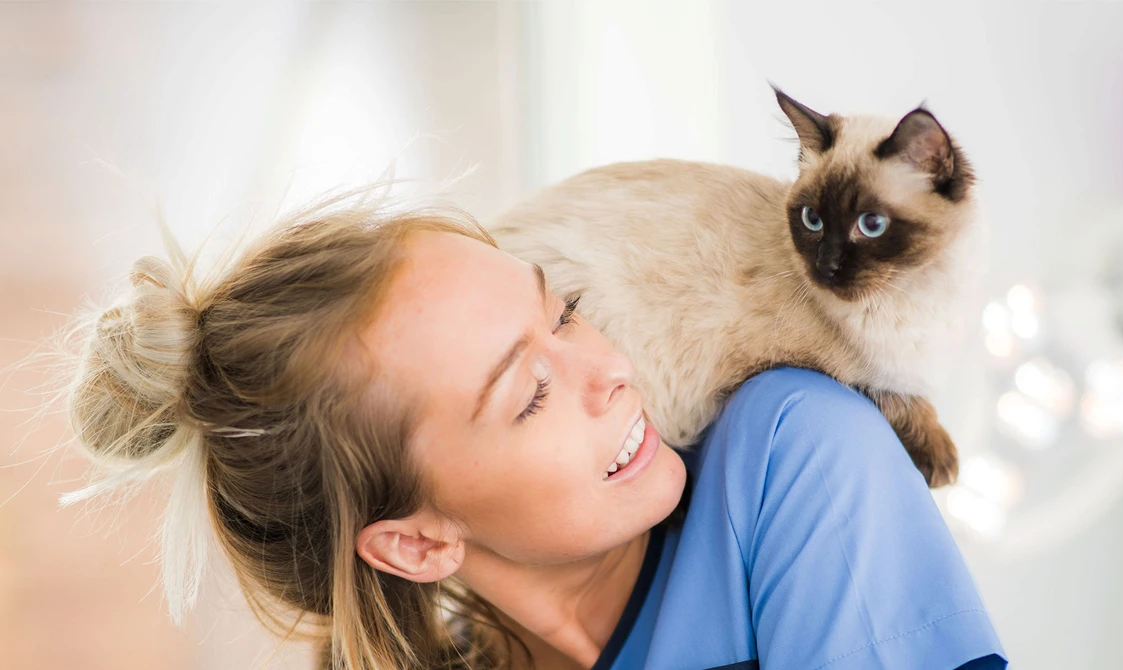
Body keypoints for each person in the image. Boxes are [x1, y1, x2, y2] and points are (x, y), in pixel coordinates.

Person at [63, 195, 1007, 669]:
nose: (611, 370)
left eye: (565, 315)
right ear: (420, 540)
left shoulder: (794, 454)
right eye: (530, 396)